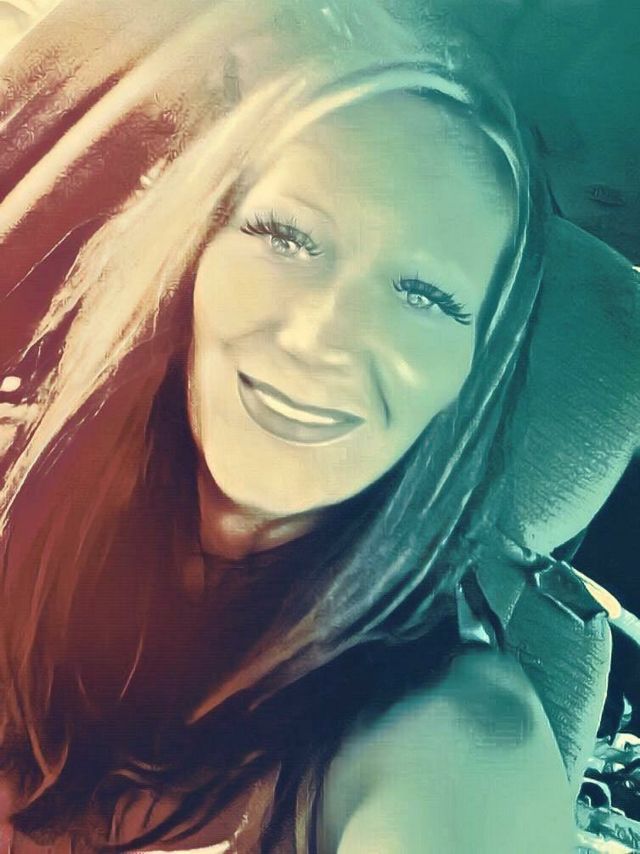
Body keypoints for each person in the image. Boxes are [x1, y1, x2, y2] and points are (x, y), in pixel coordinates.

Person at [0, 0, 633, 850]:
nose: (318, 338)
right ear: (194, 254)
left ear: (469, 381)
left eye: (425, 296)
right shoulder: (25, 481)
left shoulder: (454, 741)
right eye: (287, 237)